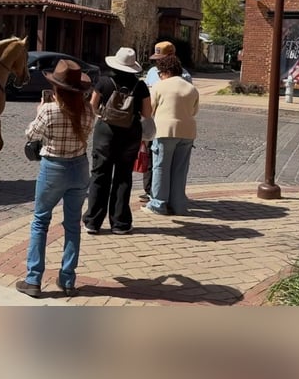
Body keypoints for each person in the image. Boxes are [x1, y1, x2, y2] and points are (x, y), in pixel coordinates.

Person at [16, 59, 96, 298]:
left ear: (56, 89)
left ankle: (33, 279)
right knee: (72, 226)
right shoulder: (88, 111)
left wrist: (40, 111)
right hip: (79, 167)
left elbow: (31, 134)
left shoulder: (49, 110)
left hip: (53, 167)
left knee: (41, 221)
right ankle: (68, 278)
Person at [82, 47, 152, 235]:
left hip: (105, 132)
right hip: (130, 133)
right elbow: (147, 113)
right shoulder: (141, 86)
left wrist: (105, 114)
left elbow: (92, 107)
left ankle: (93, 221)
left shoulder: (104, 81)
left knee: (99, 175)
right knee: (123, 177)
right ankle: (120, 222)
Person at [141, 54, 198, 216]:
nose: (159, 76)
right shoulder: (191, 88)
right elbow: (194, 111)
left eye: (160, 73)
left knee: (161, 167)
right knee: (180, 169)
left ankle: (158, 204)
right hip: (187, 131)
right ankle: (178, 204)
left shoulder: (160, 86)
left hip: (164, 130)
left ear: (165, 72)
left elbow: (149, 110)